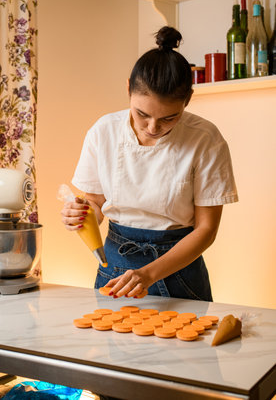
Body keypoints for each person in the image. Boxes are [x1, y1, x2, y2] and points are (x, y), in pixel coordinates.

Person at [61, 26, 238, 301]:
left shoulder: (206, 139)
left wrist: (149, 274)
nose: (153, 127)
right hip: (114, 270)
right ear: (129, 89)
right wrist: (80, 215)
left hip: (180, 273)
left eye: (169, 118)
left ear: (187, 100)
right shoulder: (103, 131)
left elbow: (206, 230)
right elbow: (95, 204)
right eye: (142, 114)